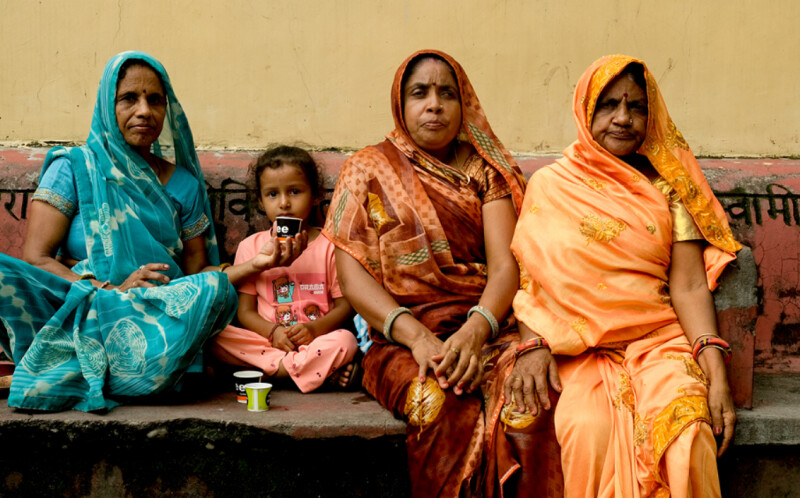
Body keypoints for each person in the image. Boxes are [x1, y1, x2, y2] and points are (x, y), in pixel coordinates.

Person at [323, 50, 562, 497]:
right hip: (399, 338)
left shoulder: (486, 171)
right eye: (420, 93)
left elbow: (506, 264)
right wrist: (417, 338)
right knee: (437, 401)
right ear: (401, 103)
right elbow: (352, 276)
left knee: (531, 406)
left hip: (489, 328)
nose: (434, 105)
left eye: (447, 94)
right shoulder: (366, 169)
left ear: (463, 103)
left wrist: (475, 332)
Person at [508, 54, 741, 496]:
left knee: (688, 432)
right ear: (585, 110)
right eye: (609, 105)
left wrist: (714, 367)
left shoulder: (669, 187)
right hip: (581, 351)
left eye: (636, 107)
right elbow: (532, 282)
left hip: (660, 341)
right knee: (586, 431)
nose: (622, 119)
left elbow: (689, 285)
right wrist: (532, 344)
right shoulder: (552, 186)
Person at [0, 51, 239, 412]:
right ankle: (113, 374)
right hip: (79, 308)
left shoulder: (185, 186)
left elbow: (195, 275)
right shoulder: (74, 167)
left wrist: (261, 264)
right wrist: (109, 290)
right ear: (105, 106)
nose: (144, 111)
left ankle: (68, 372)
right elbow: (37, 259)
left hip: (150, 316)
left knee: (216, 290)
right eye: (129, 98)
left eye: (155, 100)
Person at [211, 146, 360, 391]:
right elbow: (245, 312)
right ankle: (309, 372)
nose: (284, 203)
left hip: (318, 341)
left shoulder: (331, 247)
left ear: (315, 195)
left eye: (294, 191)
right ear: (260, 200)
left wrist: (313, 330)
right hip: (269, 342)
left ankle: (269, 374)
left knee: (346, 340)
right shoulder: (251, 247)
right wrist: (273, 332)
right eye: (272, 194)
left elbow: (345, 306)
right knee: (216, 335)